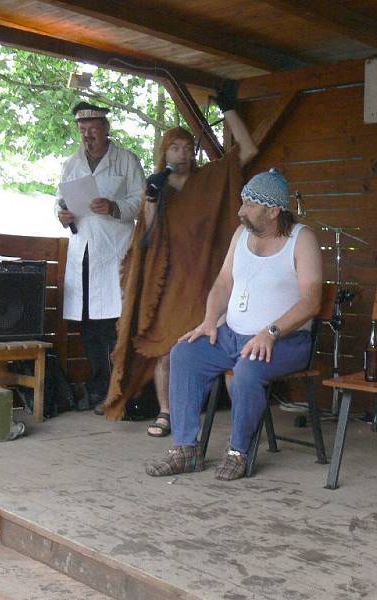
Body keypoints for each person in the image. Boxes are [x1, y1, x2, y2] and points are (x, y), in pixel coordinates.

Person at [144, 169, 323, 480]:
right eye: (242, 202)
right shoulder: (241, 235)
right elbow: (224, 282)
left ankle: (238, 451)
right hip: (231, 335)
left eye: (249, 205)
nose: (241, 211)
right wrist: (210, 321)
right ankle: (185, 449)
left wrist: (270, 333)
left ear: (272, 210)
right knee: (184, 354)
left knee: (248, 370)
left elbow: (311, 302)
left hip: (284, 341)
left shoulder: (302, 239)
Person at [105, 87, 258, 436]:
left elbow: (248, 150)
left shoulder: (211, 179)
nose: (183, 153)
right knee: (166, 348)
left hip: (209, 279)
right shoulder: (157, 188)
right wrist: (153, 197)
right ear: (164, 152)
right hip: (170, 282)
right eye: (175, 147)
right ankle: (166, 413)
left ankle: (228, 416)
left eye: (188, 148)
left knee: (217, 347)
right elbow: (147, 237)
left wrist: (229, 107)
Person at [56, 102, 145, 413]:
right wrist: (63, 215)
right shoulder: (71, 164)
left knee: (113, 323)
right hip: (83, 253)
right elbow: (60, 200)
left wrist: (114, 207)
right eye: (82, 130)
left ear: (106, 128)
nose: (87, 135)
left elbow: (141, 201)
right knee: (87, 325)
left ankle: (118, 387)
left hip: (114, 252)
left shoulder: (126, 161)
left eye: (93, 129)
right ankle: (97, 387)